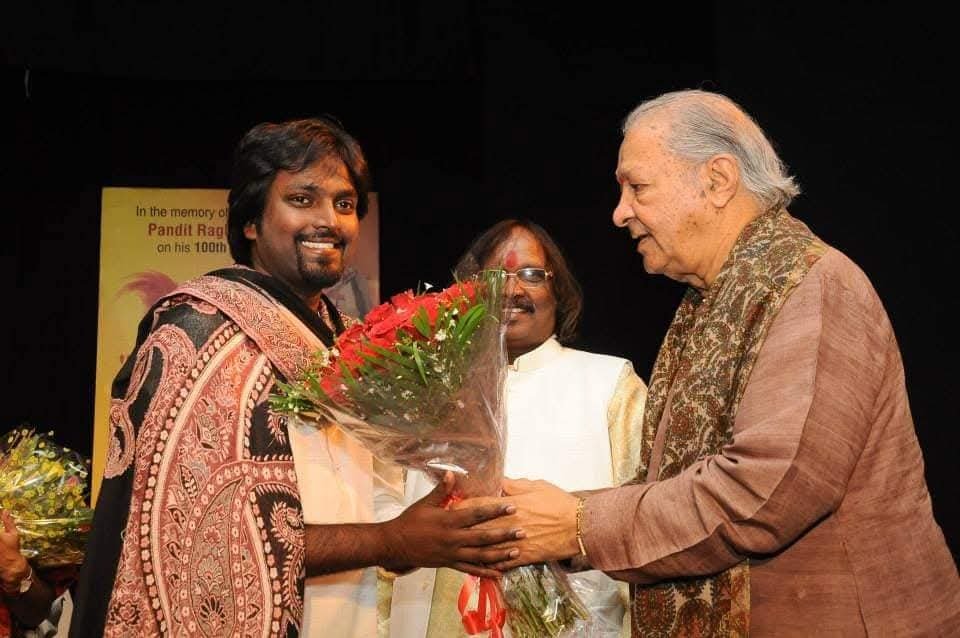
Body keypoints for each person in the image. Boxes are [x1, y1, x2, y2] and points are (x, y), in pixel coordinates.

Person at [463, 90, 960, 635]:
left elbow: (765, 492)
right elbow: (677, 482)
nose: (619, 212)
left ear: (718, 181)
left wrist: (579, 526)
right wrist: (550, 516)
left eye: (638, 187)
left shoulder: (813, 286)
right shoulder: (714, 299)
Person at [70, 118, 519, 638]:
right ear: (251, 222)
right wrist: (392, 540)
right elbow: (210, 540)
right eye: (302, 199)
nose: (328, 220)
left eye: (345, 204)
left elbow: (368, 500)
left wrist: (444, 508)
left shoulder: (349, 341)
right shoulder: (204, 333)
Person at [389, 220, 648, 638]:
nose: (512, 290)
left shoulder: (610, 384)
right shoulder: (427, 394)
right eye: (494, 277)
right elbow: (389, 532)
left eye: (531, 275)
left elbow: (643, 517)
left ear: (557, 291)